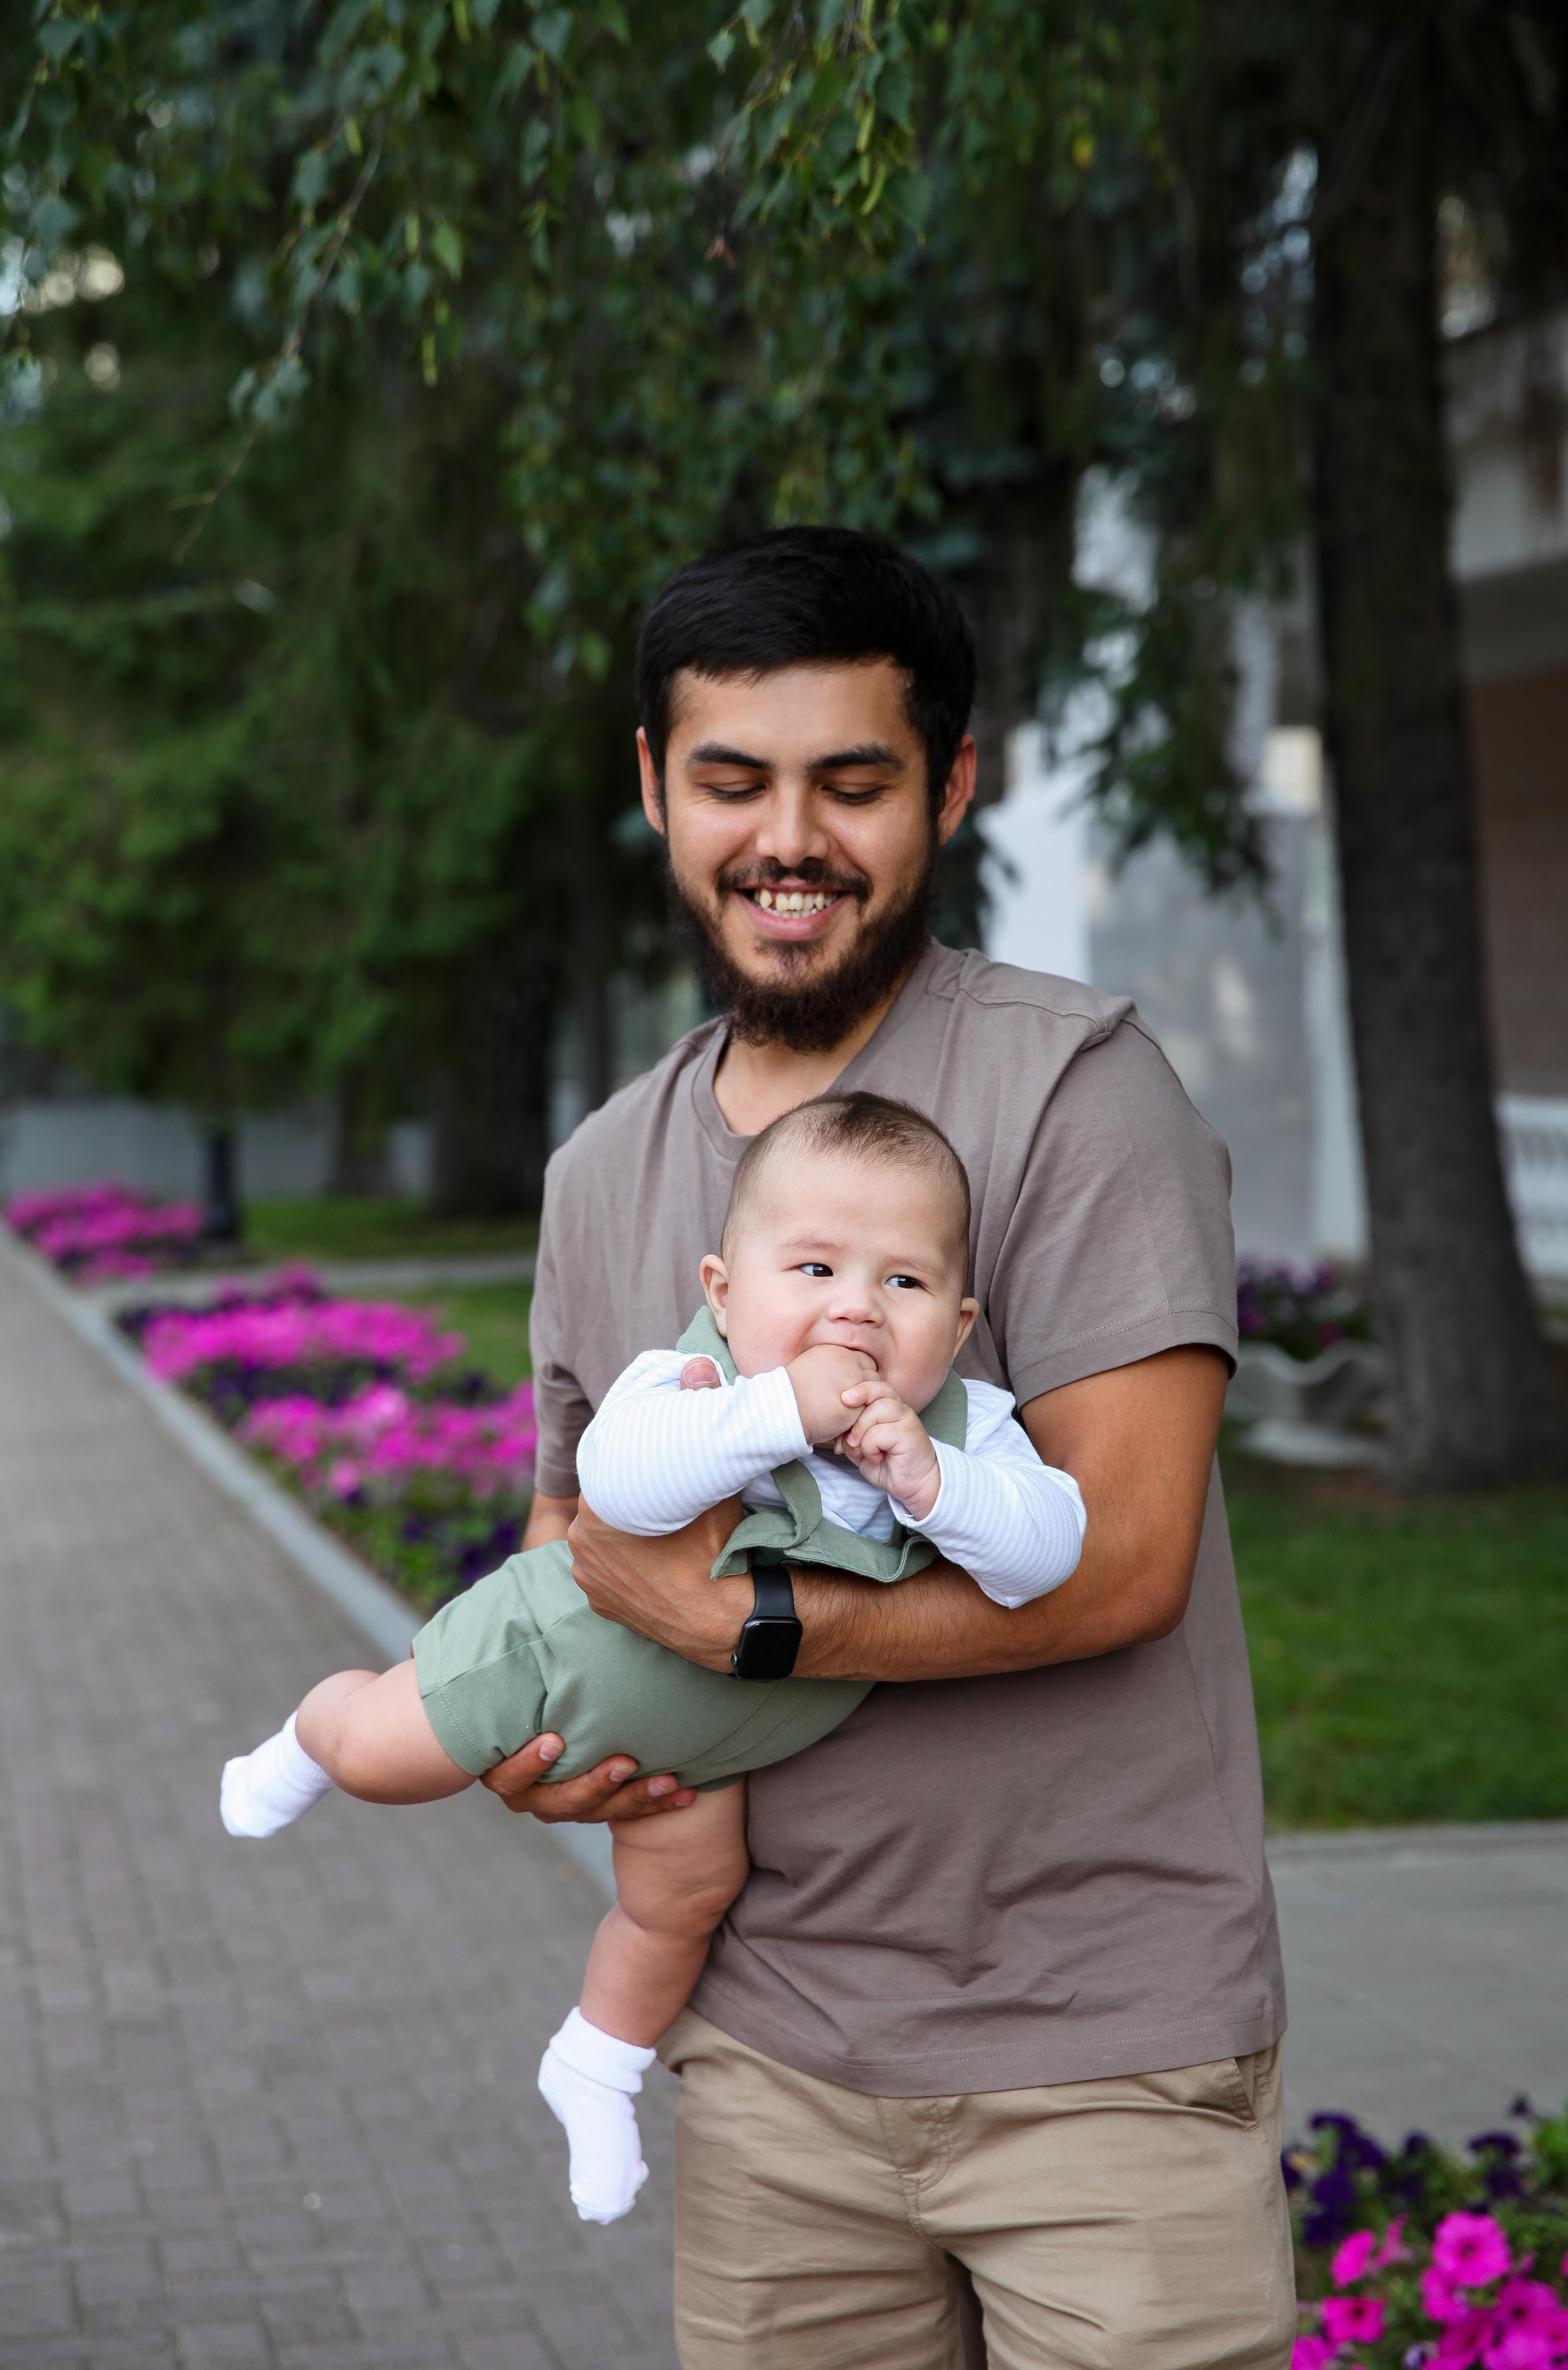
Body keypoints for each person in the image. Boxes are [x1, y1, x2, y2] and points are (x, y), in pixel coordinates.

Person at [479, 524, 1296, 2370]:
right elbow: (568, 1549)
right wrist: (538, 1747)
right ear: (653, 788)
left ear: (952, 784)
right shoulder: (606, 1167)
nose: (789, 843)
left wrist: (741, 1629)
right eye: (732, 783)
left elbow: (1131, 1557)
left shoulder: (1076, 1092)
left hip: (1102, 2060)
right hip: (768, 2061)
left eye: (854, 783)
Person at [218, 1091, 1087, 2229]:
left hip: (713, 1751)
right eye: (814, 1271)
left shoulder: (971, 1432)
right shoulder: (691, 1386)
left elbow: (1051, 1554)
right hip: (550, 1660)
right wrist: (781, 1411)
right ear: (723, 1292)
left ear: (959, 1324)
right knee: (389, 1755)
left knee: (682, 1904)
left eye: (904, 1284)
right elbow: (620, 1486)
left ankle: (597, 2064)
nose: (856, 1313)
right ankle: (312, 1730)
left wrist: (936, 1487)